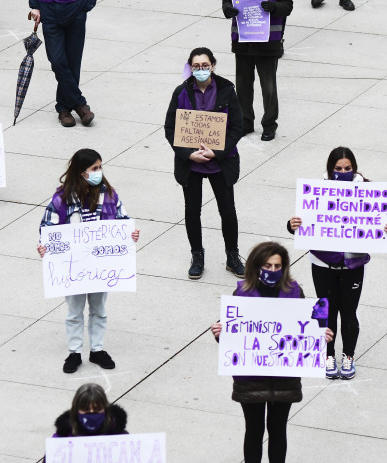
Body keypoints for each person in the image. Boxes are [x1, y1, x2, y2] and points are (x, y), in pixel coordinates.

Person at [211, 242, 334, 463]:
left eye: (277, 266)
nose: (273, 271)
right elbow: (234, 334)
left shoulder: (295, 292)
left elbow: (307, 327)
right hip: (250, 379)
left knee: (278, 431)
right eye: (267, 265)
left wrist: (320, 336)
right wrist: (219, 332)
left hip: (284, 378)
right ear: (256, 266)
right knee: (254, 431)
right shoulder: (242, 293)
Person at [287, 147, 387, 380]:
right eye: (338, 169)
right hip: (322, 264)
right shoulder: (315, 192)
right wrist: (293, 225)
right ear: (330, 169)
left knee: (349, 313)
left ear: (354, 168)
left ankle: (348, 355)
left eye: (348, 168)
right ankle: (328, 356)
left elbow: (379, 226)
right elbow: (303, 223)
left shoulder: (368, 191)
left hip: (352, 266)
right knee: (326, 313)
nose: (343, 172)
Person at [37, 148, 140, 373]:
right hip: (73, 268)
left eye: (100, 167)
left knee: (99, 309)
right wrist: (44, 246)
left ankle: (97, 350)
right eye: (94, 168)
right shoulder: (61, 199)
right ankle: (74, 352)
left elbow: (123, 220)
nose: (99, 172)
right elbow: (47, 228)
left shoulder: (110, 195)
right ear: (81, 172)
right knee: (74, 312)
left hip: (100, 267)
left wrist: (130, 234)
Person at [164, 47, 245, 280]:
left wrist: (216, 152)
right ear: (190, 67)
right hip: (192, 165)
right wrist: (188, 154)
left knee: (228, 211)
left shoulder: (227, 89)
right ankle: (197, 256)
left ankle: (232, 256)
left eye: (205, 65)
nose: (201, 70)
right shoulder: (181, 92)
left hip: (220, 163)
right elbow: (171, 128)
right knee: (192, 211)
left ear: (213, 66)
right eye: (196, 66)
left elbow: (237, 127)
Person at [222, 0, 292, 141]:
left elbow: (287, 6)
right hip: (243, 40)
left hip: (268, 42)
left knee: (269, 87)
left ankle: (269, 125)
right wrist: (227, 8)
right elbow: (227, 2)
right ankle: (245, 122)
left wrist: (275, 7)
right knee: (242, 85)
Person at [29, 0, 96, 127]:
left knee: (73, 62)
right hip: (48, 9)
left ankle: (63, 109)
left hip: (76, 7)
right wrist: (35, 6)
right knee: (57, 60)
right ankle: (79, 103)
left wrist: (88, 4)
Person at [51, 383, 128, 438]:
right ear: (76, 409)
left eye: (97, 409)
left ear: (105, 408)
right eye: (85, 409)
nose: (91, 412)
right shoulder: (60, 440)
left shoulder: (122, 438)